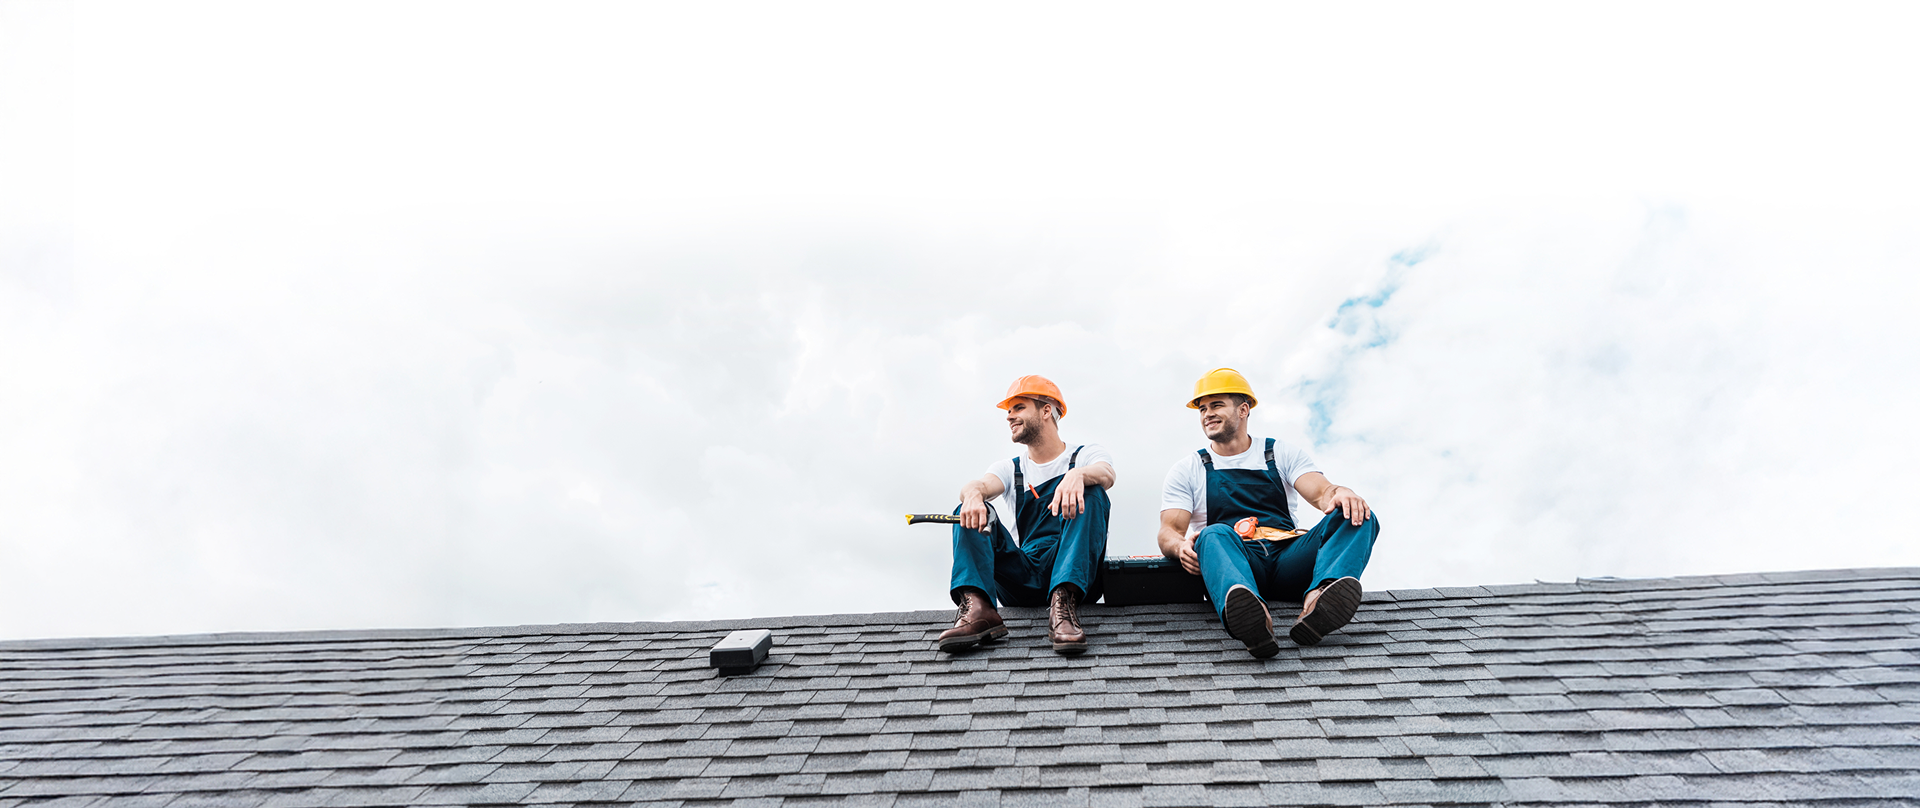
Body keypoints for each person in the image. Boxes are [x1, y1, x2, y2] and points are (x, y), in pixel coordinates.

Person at [1157, 368, 1379, 658]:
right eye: (1202, 408)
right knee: (1211, 534)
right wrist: (1179, 546)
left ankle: (1319, 599)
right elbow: (1168, 532)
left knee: (1357, 514)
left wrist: (1342, 492)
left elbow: (1322, 493)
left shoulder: (1278, 453)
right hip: (1238, 561)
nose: (1207, 414)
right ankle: (1252, 616)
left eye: (1217, 405)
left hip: (1289, 558)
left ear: (1244, 409)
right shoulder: (1188, 469)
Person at [940, 375, 1116, 655]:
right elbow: (980, 485)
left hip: (1075, 570)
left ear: (1046, 410)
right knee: (969, 509)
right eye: (1008, 411)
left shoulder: (1085, 455)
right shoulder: (1011, 468)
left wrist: (1078, 475)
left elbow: (1107, 474)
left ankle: (1063, 605)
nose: (1010, 417)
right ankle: (979, 608)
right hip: (1026, 574)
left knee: (1093, 492)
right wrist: (973, 495)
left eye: (1018, 407)